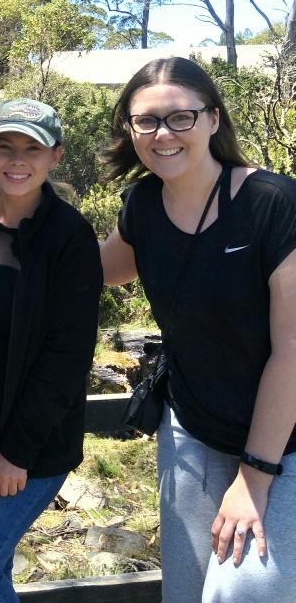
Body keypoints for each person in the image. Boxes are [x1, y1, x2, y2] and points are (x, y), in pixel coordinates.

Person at [99, 57, 296, 603]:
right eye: (146, 121)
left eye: (180, 118)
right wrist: (19, 205)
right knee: (186, 594)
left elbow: (294, 349)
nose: (163, 134)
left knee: (242, 594)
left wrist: (255, 479)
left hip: (286, 438)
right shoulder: (142, 206)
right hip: (194, 426)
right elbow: (97, 269)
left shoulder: (271, 203)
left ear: (212, 119)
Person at [0, 99, 101, 603]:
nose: (17, 159)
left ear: (54, 157)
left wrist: (16, 451)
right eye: (4, 146)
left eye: (32, 148)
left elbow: (67, 359)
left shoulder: (69, 239)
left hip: (31, 443)